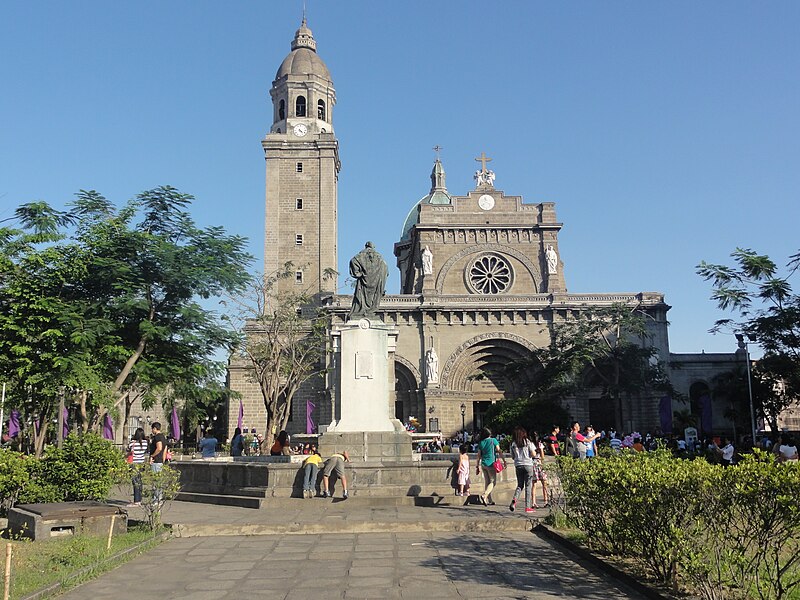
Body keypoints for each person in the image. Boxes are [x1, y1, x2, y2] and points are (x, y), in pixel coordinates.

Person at [348, 241, 388, 319]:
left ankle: (363, 311)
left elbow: (353, 260)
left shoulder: (360, 255)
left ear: (366, 246)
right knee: (373, 299)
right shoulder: (379, 257)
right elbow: (385, 269)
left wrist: (358, 273)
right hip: (376, 283)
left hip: (363, 282)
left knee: (361, 298)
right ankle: (370, 311)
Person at [509, 426, 536, 513]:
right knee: (528, 486)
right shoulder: (528, 442)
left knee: (520, 485)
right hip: (528, 464)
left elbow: (513, 457)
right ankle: (527, 507)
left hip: (518, 465)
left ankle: (514, 499)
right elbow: (533, 453)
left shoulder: (513, 444)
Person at [476, 427, 504, 506]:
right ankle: (485, 495)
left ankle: (489, 500)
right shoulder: (493, 440)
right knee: (493, 482)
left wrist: (477, 466)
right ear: (489, 434)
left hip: (484, 464)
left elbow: (478, 456)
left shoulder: (481, 442)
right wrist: (504, 460)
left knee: (487, 482)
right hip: (491, 464)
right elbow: (499, 450)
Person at [127, 427, 148, 507]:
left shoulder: (132, 443)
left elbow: (128, 450)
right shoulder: (145, 442)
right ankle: (139, 500)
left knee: (135, 482)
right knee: (140, 481)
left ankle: (136, 501)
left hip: (134, 463)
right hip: (141, 463)